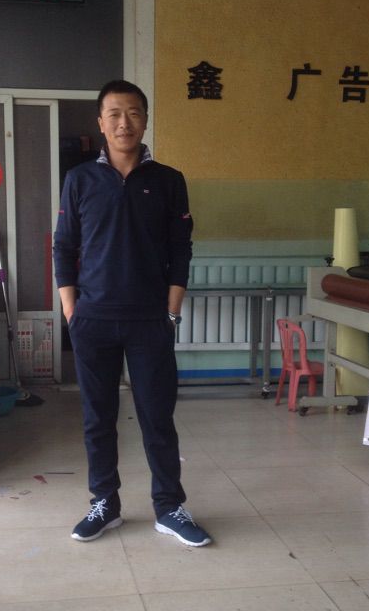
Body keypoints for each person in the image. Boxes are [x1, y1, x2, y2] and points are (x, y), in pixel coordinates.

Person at [52, 79, 211, 547]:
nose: (125, 123)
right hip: (93, 320)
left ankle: (169, 506)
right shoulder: (80, 180)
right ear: (101, 123)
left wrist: (172, 311)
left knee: (157, 417)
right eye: (115, 114)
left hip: (149, 320)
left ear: (145, 120)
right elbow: (63, 246)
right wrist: (71, 310)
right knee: (97, 419)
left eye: (134, 113)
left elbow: (181, 248)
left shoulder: (168, 180)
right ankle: (105, 503)